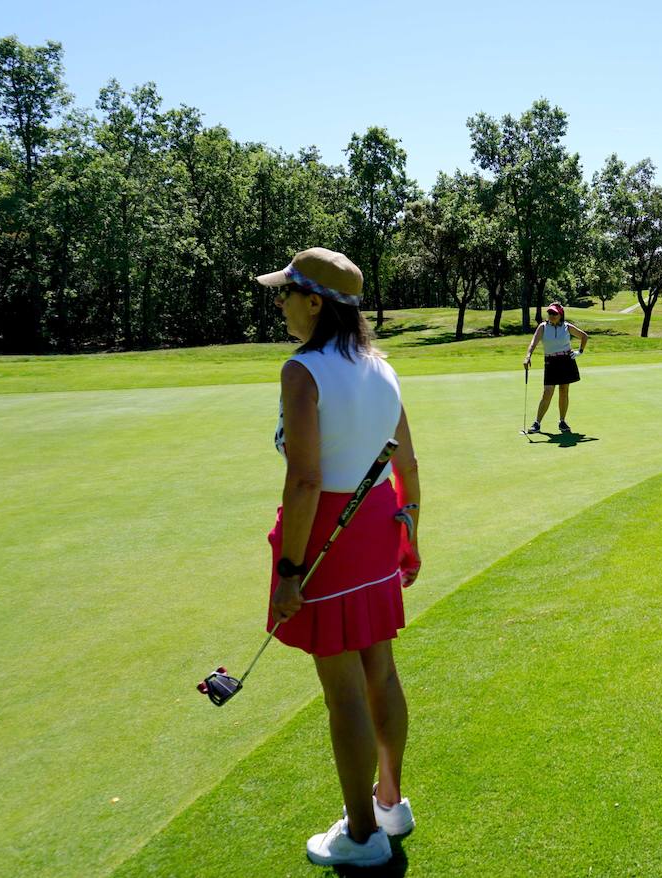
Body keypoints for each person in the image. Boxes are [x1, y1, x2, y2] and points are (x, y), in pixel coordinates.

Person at [256, 247, 422, 868]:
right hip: (378, 522)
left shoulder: (302, 371)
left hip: (330, 529)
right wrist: (411, 535)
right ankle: (390, 803)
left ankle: (360, 835)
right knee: (379, 668)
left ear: (316, 302)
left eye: (287, 293)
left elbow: (303, 481)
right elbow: (405, 464)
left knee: (344, 693)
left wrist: (288, 573)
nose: (281, 303)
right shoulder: (381, 366)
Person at [522, 303, 588, 433]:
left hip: (566, 361)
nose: (551, 316)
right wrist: (528, 356)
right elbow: (533, 342)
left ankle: (562, 421)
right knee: (547, 392)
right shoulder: (543, 327)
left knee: (564, 391)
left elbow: (584, 336)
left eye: (554, 313)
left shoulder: (566, 327)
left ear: (560, 315)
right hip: (551, 361)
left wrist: (579, 352)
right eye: (550, 313)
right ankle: (537, 423)